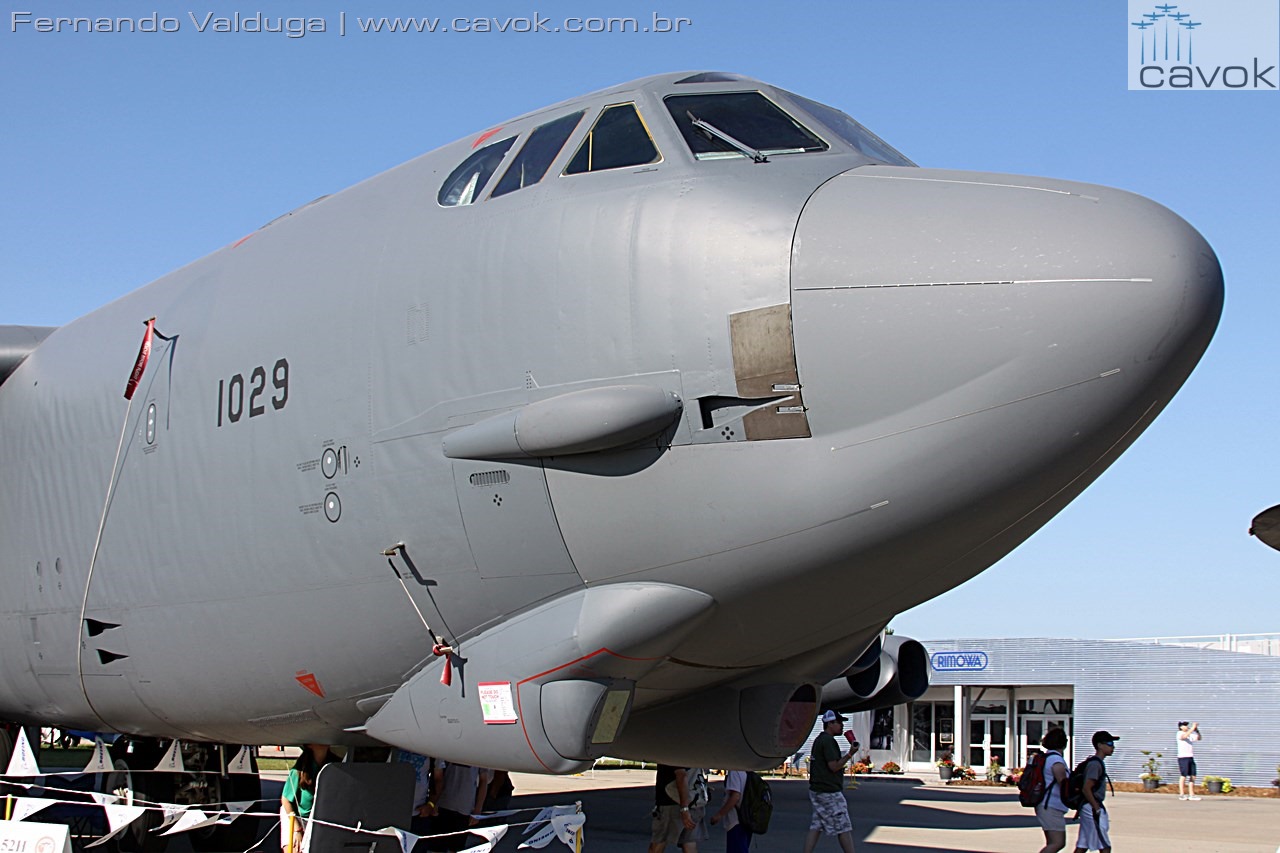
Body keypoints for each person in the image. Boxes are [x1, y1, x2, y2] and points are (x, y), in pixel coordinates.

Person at [802, 710, 858, 853]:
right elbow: (833, 766)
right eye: (839, 723)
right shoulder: (828, 741)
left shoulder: (819, 739)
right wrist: (850, 754)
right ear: (830, 723)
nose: (842, 726)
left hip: (817, 789)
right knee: (843, 826)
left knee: (817, 825)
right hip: (829, 791)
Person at [280, 744, 340, 853]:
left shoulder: (336, 765)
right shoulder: (299, 770)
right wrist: (297, 830)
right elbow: (286, 800)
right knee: (296, 847)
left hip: (321, 819)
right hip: (298, 817)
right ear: (309, 745)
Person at [430, 761, 492, 852]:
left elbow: (484, 780)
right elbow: (438, 775)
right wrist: (433, 802)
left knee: (457, 847)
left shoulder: (479, 752)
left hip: (465, 807)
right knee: (437, 846)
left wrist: (478, 809)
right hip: (443, 804)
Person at [1073, 730, 1117, 853]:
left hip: (1089, 806)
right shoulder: (1095, 765)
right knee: (1104, 845)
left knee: (1083, 845)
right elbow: (1086, 788)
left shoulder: (1097, 763)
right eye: (1109, 743)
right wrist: (1096, 807)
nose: (1112, 747)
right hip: (1091, 807)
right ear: (1099, 745)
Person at [649, 764, 704, 853]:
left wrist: (684, 809)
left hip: (671, 803)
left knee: (658, 844)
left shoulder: (673, 752)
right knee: (689, 843)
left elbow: (681, 776)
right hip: (693, 802)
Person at [1035, 728, 1071, 853]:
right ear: (1064, 743)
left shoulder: (1045, 758)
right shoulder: (1056, 761)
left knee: (1051, 842)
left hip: (1044, 804)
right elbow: (1063, 783)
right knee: (1058, 842)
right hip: (1051, 805)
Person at [709, 770, 750, 853]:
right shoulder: (747, 771)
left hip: (736, 820)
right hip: (747, 817)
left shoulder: (735, 772)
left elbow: (735, 796)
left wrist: (719, 814)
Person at [1176, 721, 1201, 800]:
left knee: (1193, 775)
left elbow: (1199, 738)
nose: (1187, 727)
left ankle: (1191, 794)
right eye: (1185, 725)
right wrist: (1192, 728)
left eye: (1187, 725)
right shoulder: (1179, 733)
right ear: (1181, 727)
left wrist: (1197, 730)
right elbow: (1184, 737)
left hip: (1190, 757)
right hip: (1183, 757)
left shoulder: (1190, 734)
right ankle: (1182, 794)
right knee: (1183, 775)